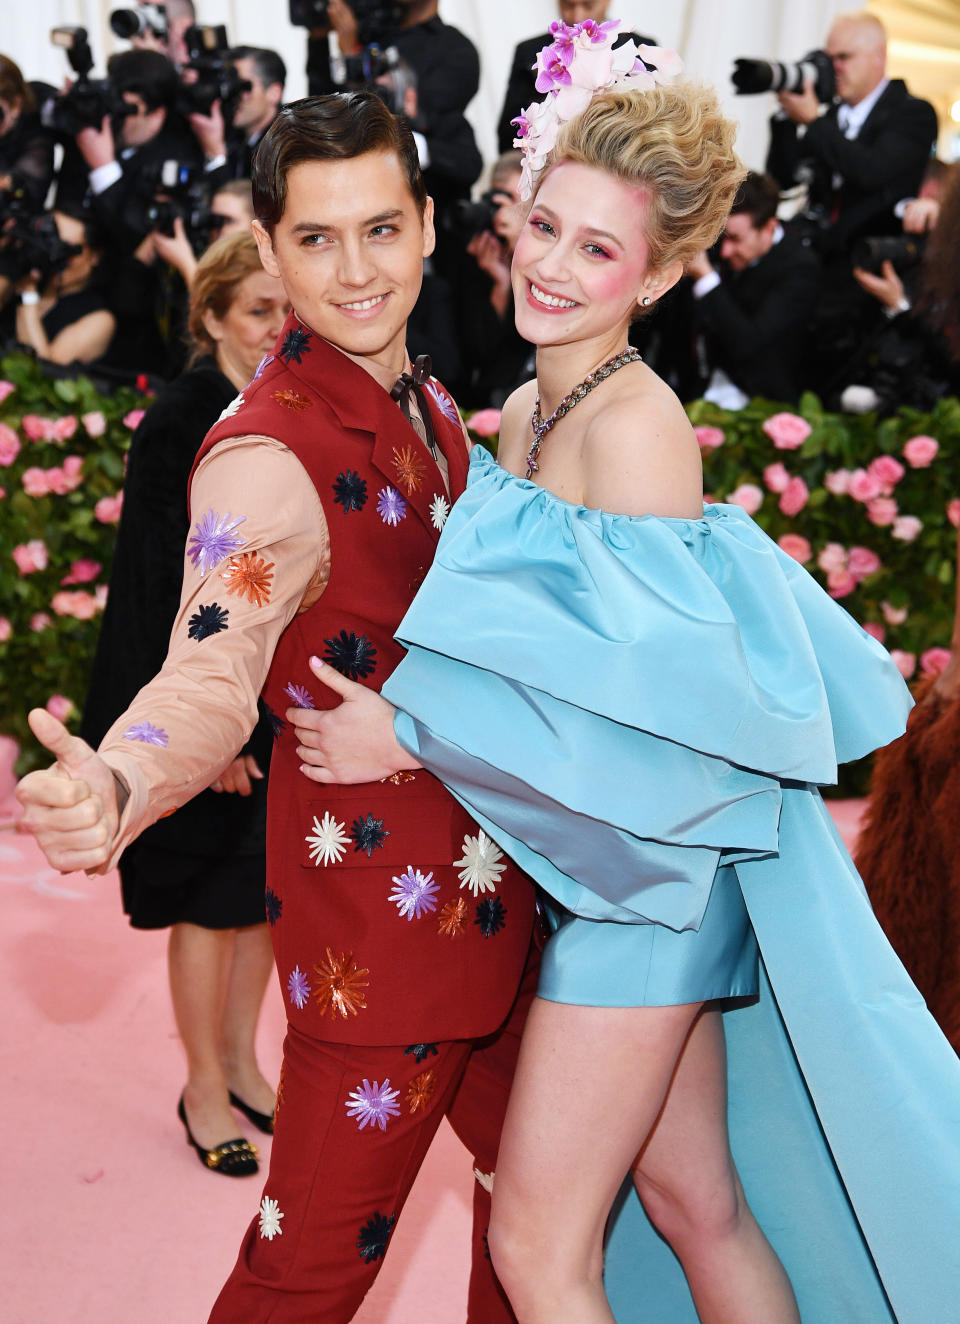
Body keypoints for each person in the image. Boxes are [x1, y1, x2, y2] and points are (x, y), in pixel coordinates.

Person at [287, 22, 960, 1324]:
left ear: (656, 277)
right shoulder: (539, 406)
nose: (551, 266)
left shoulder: (638, 435)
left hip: (640, 899)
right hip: (618, 881)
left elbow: (651, 739)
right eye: (544, 227)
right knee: (696, 1206)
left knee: (541, 1250)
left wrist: (414, 734)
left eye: (599, 249)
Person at [16, 90, 537, 1323]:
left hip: (506, 904)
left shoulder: (429, 401)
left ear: (424, 225)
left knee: (550, 1220)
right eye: (314, 238)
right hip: (387, 950)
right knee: (305, 1276)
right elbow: (210, 665)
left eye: (379, 230)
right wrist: (119, 778)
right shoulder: (269, 457)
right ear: (268, 244)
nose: (354, 271)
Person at [81, 230, 289, 1173]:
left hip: (276, 703)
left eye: (288, 309)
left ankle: (245, 1065)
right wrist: (219, 729)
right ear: (209, 318)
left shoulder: (277, 405)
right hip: (200, 699)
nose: (279, 326)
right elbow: (170, 587)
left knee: (261, 904)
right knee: (208, 906)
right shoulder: (185, 419)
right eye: (257, 310)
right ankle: (204, 1087)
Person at [686, 171, 820, 405]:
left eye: (736, 239)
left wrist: (706, 277)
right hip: (700, 379)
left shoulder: (800, 270)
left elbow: (751, 343)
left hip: (760, 396)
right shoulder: (720, 245)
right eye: (722, 237)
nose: (725, 251)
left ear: (769, 228)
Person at [496, 2, 655, 153]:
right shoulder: (530, 52)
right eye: (568, 5)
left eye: (588, 5)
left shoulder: (639, 49)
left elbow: (650, 121)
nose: (577, 16)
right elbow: (509, 133)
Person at [13, 206, 116, 366]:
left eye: (67, 249)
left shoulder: (100, 319)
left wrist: (27, 296)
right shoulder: (25, 277)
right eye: (48, 241)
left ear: (95, 255)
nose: (55, 255)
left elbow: (45, 372)